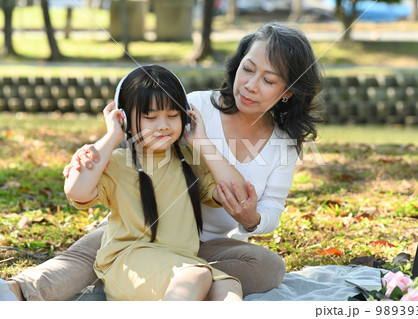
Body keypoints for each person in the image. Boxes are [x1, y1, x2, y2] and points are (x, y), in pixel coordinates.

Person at [1, 22, 324, 301]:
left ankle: (162, 281)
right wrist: (94, 152)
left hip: (202, 247)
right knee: (95, 253)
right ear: (238, 64)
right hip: (141, 223)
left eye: (269, 80)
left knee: (268, 268)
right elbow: (133, 146)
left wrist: (251, 219)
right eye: (248, 69)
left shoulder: (284, 144)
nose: (251, 85)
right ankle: (19, 291)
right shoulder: (193, 107)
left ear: (288, 92)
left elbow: (270, 212)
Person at [70, 64, 245, 300]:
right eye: (150, 117)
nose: (163, 125)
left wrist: (201, 141)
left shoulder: (190, 161)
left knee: (229, 290)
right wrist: (112, 136)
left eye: (172, 115)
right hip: (129, 262)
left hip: (183, 264)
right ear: (124, 120)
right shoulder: (117, 162)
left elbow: (239, 194)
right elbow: (77, 192)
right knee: (196, 277)